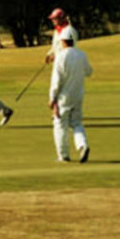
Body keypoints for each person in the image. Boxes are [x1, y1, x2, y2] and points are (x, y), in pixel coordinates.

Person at [49, 26, 93, 162]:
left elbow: (56, 81)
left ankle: (63, 155)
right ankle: (82, 145)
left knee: (60, 124)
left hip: (64, 97)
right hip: (78, 95)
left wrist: (52, 98)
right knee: (76, 123)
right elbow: (89, 72)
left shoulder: (60, 57)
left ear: (63, 40)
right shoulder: (82, 55)